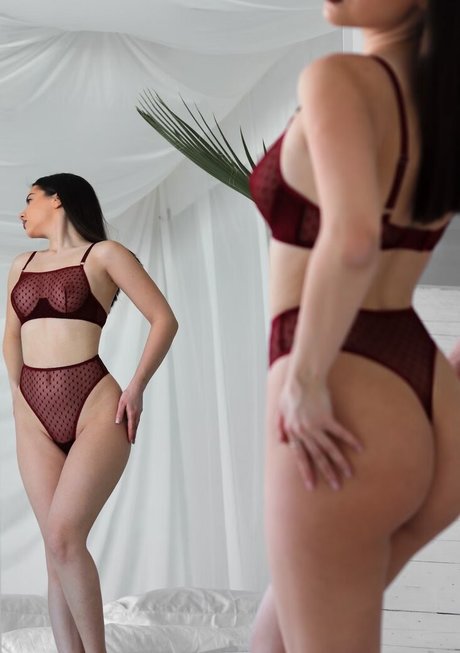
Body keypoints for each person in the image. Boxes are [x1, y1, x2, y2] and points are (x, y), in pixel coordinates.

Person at [248, 1, 460, 651]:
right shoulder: (445, 111)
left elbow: (355, 237)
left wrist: (306, 378)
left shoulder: (338, 79)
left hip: (342, 395)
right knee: (270, 644)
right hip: (431, 401)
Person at [2, 173, 178, 653]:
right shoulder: (21, 265)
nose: (22, 211)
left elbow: (164, 319)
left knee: (64, 536)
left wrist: (137, 387)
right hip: (33, 416)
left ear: (57, 199)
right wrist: (18, 398)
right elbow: (11, 336)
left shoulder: (104, 255)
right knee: (55, 551)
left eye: (30, 199)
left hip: (95, 408)